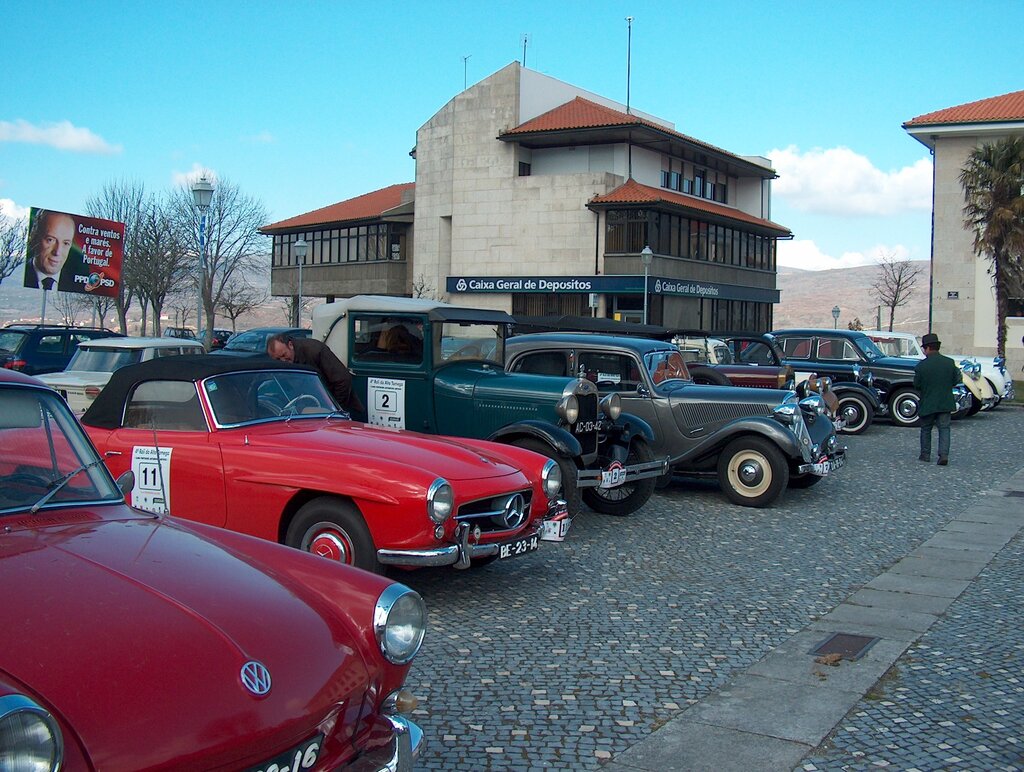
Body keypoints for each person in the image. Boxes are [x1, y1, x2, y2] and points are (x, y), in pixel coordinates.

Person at [266, 333, 365, 420]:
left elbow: (342, 379)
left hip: (339, 410)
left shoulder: (315, 350)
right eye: (278, 359)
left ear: (290, 345)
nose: (283, 361)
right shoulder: (281, 366)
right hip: (309, 412)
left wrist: (335, 408)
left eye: (284, 355)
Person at [913, 332, 962, 466]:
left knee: (926, 429)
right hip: (945, 402)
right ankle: (943, 455)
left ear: (927, 348)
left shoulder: (921, 366)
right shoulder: (949, 363)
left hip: (928, 402)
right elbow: (957, 380)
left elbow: (916, 384)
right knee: (944, 429)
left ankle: (925, 454)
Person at [24, 211, 77, 291]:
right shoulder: (20, 275)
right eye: (50, 240)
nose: (57, 252)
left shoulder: (75, 285)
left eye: (66, 243)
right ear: (34, 237)